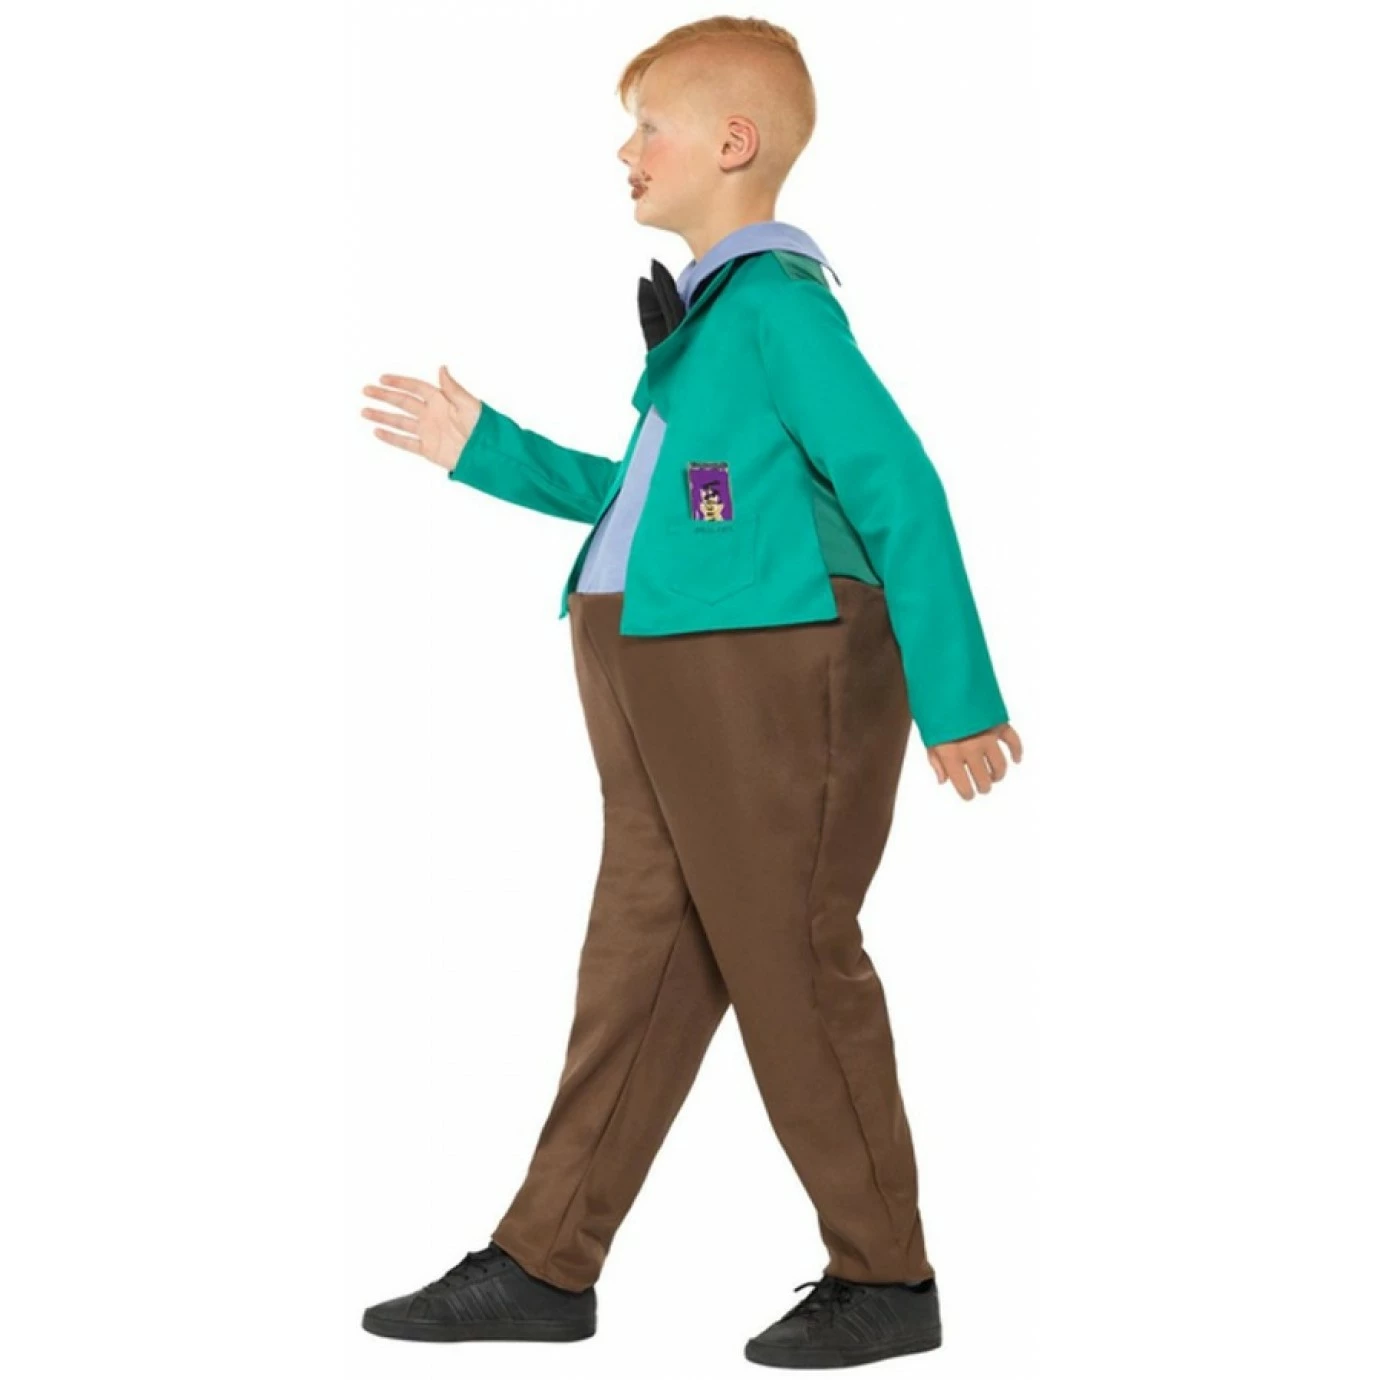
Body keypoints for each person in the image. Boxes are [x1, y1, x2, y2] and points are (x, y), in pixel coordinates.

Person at [356, 15, 1022, 1369]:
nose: (625, 149)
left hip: (763, 675)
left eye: (647, 125)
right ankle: (545, 1263)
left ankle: (887, 1277)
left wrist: (957, 695)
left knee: (790, 956)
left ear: (734, 142)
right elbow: (652, 504)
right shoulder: (711, 333)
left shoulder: (776, 308)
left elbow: (899, 484)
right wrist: (486, 449)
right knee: (637, 967)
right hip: (667, 675)